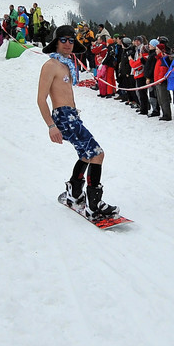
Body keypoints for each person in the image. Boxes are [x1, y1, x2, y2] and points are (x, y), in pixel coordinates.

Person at [37, 25, 118, 219]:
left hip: (71, 116)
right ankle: (94, 204)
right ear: (56, 42)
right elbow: (41, 99)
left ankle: (74, 193)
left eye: (71, 40)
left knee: (86, 154)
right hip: (64, 117)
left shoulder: (65, 64)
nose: (68, 44)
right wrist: (51, 126)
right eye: (63, 40)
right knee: (97, 154)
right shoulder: (50, 65)